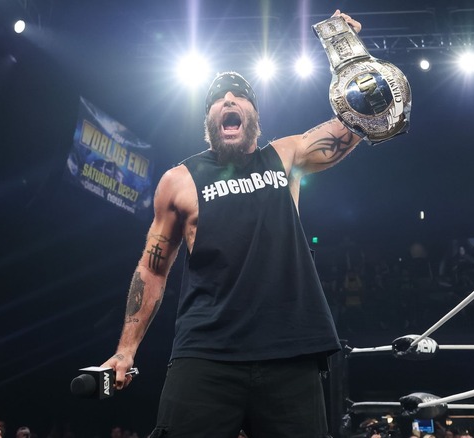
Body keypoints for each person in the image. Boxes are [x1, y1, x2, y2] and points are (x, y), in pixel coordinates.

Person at [98, 10, 366, 437]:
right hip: (206, 354)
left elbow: (358, 119)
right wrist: (125, 351)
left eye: (238, 96)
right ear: (209, 121)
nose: (227, 100)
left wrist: (348, 54)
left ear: (253, 116)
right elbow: (152, 268)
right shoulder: (179, 180)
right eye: (218, 99)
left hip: (289, 351)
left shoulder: (285, 155)